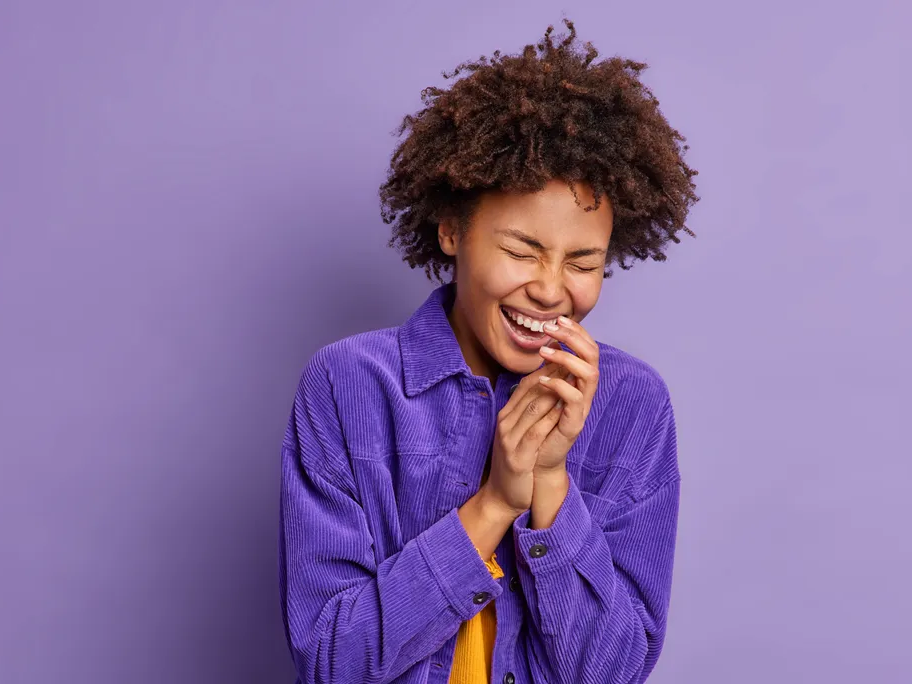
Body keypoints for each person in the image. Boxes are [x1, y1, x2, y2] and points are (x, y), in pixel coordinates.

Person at [279, 18, 699, 684]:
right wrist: (498, 502)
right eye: (521, 251)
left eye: (583, 262)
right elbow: (333, 662)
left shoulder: (632, 407)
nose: (551, 290)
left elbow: (613, 672)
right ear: (451, 230)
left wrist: (552, 486)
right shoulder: (347, 387)